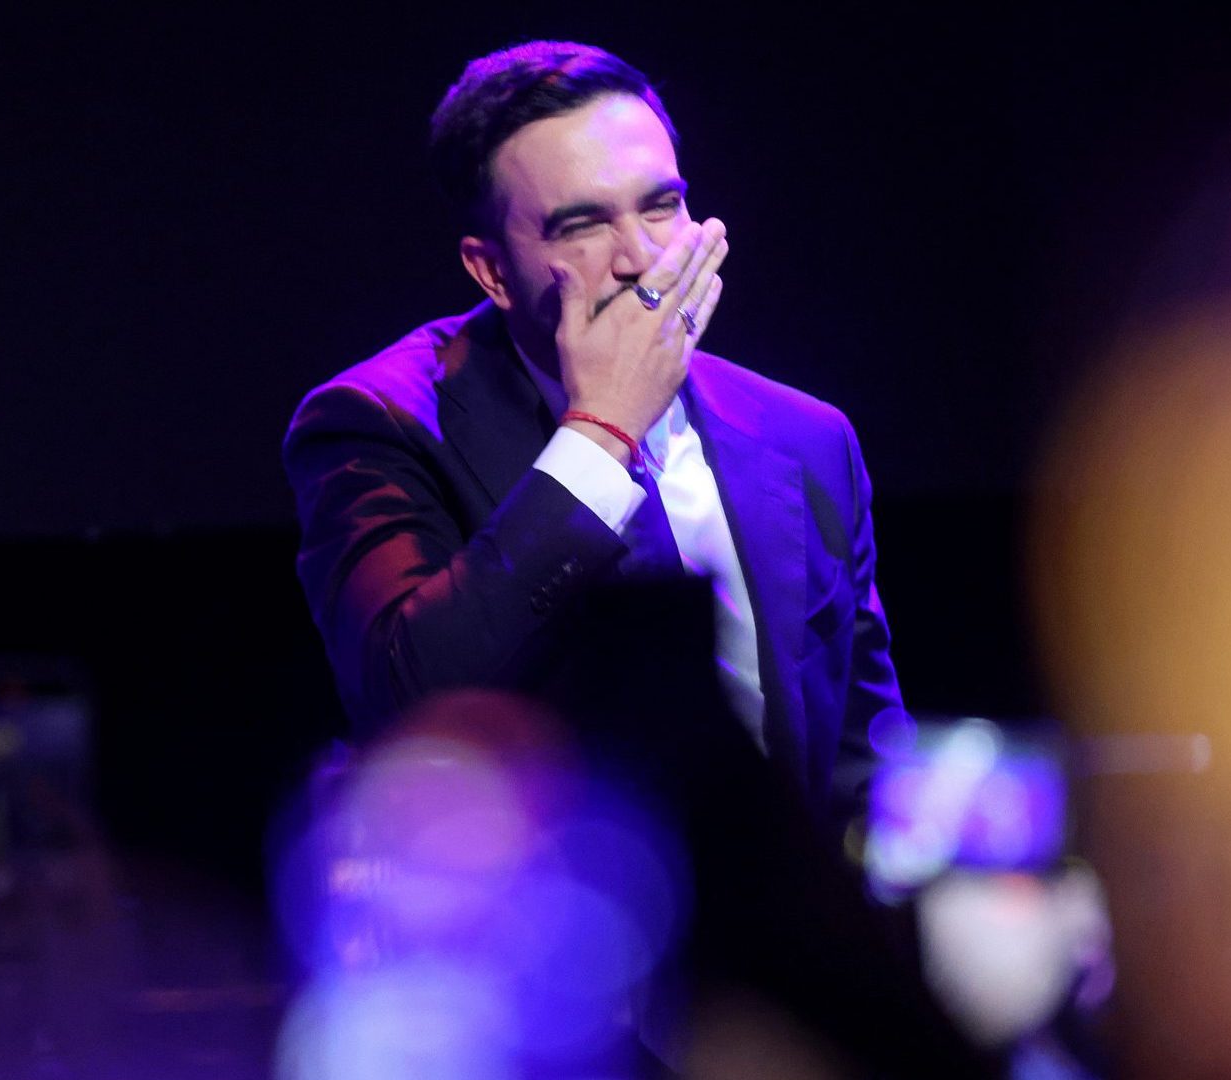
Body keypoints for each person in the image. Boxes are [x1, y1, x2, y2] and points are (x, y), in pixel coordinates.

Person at [281, 40, 905, 836]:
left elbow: (863, 760)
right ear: (493, 271)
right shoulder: (377, 421)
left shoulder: (804, 437)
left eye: (660, 206)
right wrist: (599, 432)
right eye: (581, 224)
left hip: (779, 940)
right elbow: (407, 700)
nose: (641, 258)